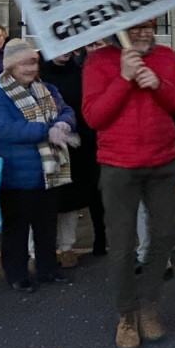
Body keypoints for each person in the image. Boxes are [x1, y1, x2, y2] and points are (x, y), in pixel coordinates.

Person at [82, 19, 175, 348]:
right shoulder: (98, 61)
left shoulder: (165, 57)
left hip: (162, 161)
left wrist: (158, 84)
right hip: (118, 165)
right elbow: (94, 117)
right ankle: (126, 313)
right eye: (134, 28)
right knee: (121, 245)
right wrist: (124, 79)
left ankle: (149, 303)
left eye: (149, 26)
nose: (143, 33)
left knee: (166, 233)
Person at [0, 39, 77, 293]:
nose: (31, 68)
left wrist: (64, 124)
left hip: (49, 172)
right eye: (24, 63)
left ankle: (48, 269)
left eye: (34, 62)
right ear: (10, 66)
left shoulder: (46, 89)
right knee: (17, 229)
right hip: (15, 173)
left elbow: (66, 110)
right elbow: (5, 128)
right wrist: (48, 130)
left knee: (46, 226)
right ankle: (17, 274)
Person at [40, 49, 108, 265]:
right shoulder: (39, 75)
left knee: (85, 194)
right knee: (54, 200)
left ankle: (92, 241)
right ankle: (45, 252)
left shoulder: (80, 71)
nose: (66, 51)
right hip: (50, 144)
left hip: (84, 141)